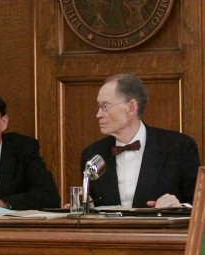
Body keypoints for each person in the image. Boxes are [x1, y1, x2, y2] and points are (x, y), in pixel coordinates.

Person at [81, 74, 200, 208]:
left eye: (105, 106)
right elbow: (93, 204)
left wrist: (180, 208)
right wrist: (83, 207)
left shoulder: (179, 147)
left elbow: (199, 204)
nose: (98, 115)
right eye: (98, 106)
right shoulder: (93, 154)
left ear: (131, 107)